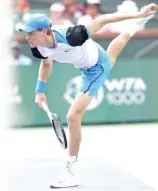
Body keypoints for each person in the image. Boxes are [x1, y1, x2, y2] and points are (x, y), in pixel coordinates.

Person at [19, 3, 157, 188]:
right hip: (89, 60)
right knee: (113, 54)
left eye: (31, 32)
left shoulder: (72, 35)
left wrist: (137, 13)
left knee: (72, 116)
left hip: (96, 67)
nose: (27, 37)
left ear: (45, 31)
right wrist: (39, 91)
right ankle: (132, 29)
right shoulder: (37, 46)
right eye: (26, 32)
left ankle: (69, 171)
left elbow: (102, 19)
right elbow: (46, 64)